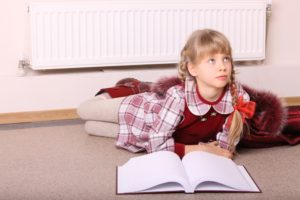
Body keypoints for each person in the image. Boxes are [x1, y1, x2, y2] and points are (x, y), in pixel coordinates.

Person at [78, 29, 257, 159]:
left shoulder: (238, 96)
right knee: (84, 110)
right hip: (140, 109)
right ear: (192, 69)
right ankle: (129, 88)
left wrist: (220, 151)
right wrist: (200, 149)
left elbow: (225, 146)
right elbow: (157, 147)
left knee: (91, 128)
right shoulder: (178, 96)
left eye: (226, 58)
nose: (222, 66)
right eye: (212, 60)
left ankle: (129, 120)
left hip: (149, 131)